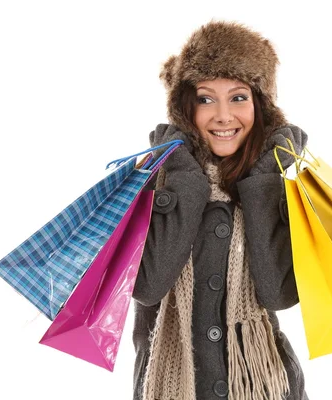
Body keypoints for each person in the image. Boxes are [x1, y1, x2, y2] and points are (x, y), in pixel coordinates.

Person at [132, 20, 309, 400]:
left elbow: (279, 295)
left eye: (239, 97)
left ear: (260, 105)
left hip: (264, 386)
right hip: (170, 386)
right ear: (185, 107)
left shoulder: (281, 186)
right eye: (206, 98)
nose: (223, 116)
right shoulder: (152, 181)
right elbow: (148, 285)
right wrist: (181, 174)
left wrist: (265, 180)